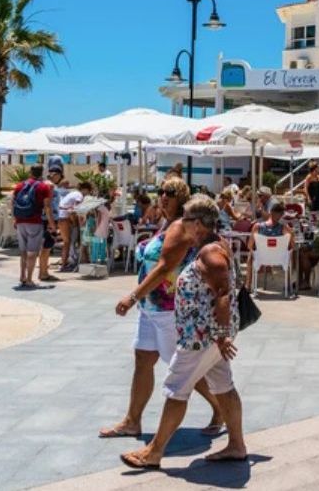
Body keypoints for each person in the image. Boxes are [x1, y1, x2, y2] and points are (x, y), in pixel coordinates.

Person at [121, 195, 246, 469]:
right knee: (224, 386)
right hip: (209, 335)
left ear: (198, 224)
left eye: (186, 219)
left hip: (201, 337)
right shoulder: (214, 245)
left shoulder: (210, 253)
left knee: (176, 389)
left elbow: (223, 293)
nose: (181, 224)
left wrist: (222, 334)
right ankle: (237, 445)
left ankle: (154, 452)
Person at [101, 177, 223, 440]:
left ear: (181, 197)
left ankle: (221, 406)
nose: (163, 196)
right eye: (161, 191)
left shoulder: (180, 226)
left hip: (169, 309)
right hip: (151, 307)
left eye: (170, 192)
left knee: (185, 369)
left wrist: (132, 297)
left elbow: (165, 267)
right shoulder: (165, 223)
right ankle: (132, 421)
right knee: (143, 360)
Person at [13, 165, 56, 287]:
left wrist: (15, 220)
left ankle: (22, 276)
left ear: (30, 172)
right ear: (42, 173)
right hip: (35, 222)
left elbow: (13, 202)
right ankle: (30, 279)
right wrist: (52, 224)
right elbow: (47, 207)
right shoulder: (43, 187)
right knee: (32, 251)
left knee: (23, 251)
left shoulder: (20, 185)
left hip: (21, 221)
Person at [247, 198, 294, 295]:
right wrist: (291, 233)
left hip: (261, 258)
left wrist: (256, 253)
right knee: (289, 255)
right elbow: (292, 246)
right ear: (281, 215)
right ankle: (288, 285)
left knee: (250, 256)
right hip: (279, 259)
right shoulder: (284, 228)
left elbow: (250, 246)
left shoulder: (257, 227)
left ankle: (248, 285)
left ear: (270, 212)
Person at [57, 180, 86, 272]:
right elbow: (77, 209)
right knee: (67, 242)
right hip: (64, 218)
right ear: (85, 189)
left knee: (67, 242)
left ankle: (65, 263)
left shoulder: (73, 193)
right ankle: (64, 264)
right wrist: (77, 223)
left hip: (61, 217)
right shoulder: (79, 195)